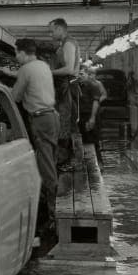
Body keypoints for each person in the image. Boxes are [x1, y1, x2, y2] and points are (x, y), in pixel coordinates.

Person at [10, 38, 59, 252]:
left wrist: (4, 87)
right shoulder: (42, 65)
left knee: (46, 165)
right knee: (51, 160)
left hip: (39, 119)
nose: (15, 56)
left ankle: (53, 215)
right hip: (52, 117)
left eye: (16, 53)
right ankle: (52, 207)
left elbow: (15, 96)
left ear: (21, 53)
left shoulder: (25, 69)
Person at [49, 17, 82, 171]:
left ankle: (70, 160)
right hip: (67, 86)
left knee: (66, 124)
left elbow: (69, 69)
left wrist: (49, 72)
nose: (51, 34)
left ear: (60, 29)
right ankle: (68, 159)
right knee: (66, 124)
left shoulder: (69, 43)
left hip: (68, 86)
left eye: (52, 30)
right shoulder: (65, 43)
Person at [76, 64, 108, 185]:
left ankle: (99, 166)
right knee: (83, 142)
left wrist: (92, 118)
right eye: (78, 74)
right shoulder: (77, 86)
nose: (79, 76)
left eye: (82, 74)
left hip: (90, 116)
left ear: (87, 74)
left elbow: (96, 102)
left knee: (94, 141)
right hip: (81, 118)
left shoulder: (94, 85)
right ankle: (87, 167)